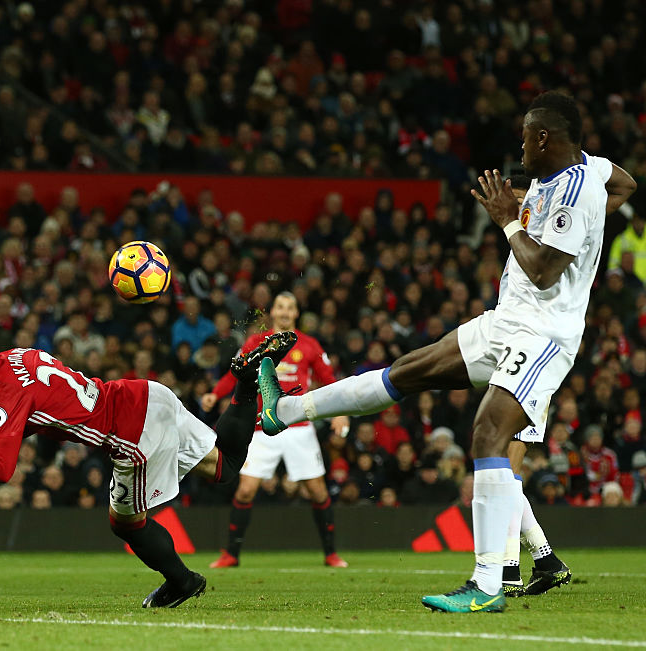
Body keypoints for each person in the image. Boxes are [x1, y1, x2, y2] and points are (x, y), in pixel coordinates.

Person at [258, 91, 617, 613]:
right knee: (408, 371)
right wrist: (582, 225)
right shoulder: (589, 173)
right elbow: (625, 184)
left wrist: (509, 219)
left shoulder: (579, 191)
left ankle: (489, 583)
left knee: (488, 433)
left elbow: (543, 272)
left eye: (524, 137)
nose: (519, 146)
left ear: (544, 137)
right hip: (504, 321)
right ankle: (286, 410)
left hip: (542, 335)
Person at [0, 319, 295, 608]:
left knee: (125, 523)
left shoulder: (2, 394)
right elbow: (39, 413)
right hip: (145, 394)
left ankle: (183, 582)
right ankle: (246, 383)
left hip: (132, 434)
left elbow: (1, 469)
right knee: (224, 466)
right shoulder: (15, 357)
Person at [498, 161, 633, 597]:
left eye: (520, 202)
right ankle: (544, 560)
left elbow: (624, 186)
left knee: (502, 468)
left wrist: (577, 158)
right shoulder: (524, 239)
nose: (518, 211)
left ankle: (509, 570)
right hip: (518, 351)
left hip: (536, 352)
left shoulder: (555, 236)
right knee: (500, 467)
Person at [203, 292, 350, 569]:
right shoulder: (256, 342)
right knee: (245, 491)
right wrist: (216, 393)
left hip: (299, 427)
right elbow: (237, 372)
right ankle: (231, 555)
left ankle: (331, 554)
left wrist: (340, 412)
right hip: (261, 427)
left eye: (289, 307)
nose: (284, 312)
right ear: (272, 312)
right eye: (280, 307)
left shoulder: (309, 345)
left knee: (318, 492)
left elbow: (328, 380)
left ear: (296, 313)